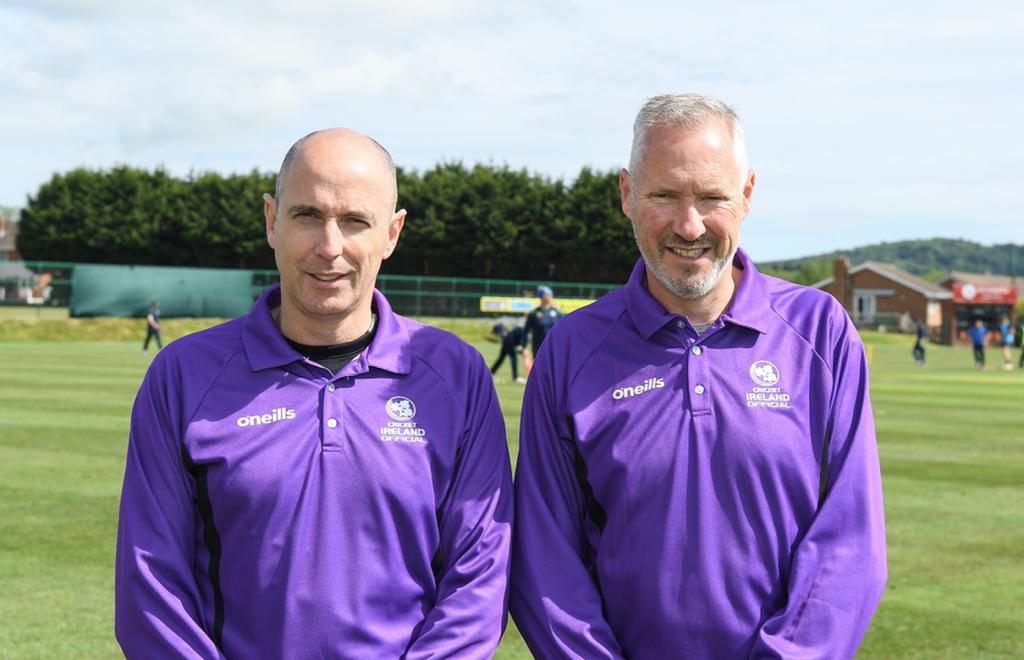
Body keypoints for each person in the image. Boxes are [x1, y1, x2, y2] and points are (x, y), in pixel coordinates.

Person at [511, 94, 886, 659]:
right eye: (664, 195)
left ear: (748, 195)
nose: (690, 226)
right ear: (627, 194)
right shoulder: (572, 348)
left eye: (712, 197)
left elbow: (851, 540)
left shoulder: (821, 330)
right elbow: (544, 557)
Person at [115, 129, 513, 658]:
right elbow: (151, 589)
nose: (329, 247)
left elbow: (479, 578)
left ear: (392, 234)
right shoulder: (183, 376)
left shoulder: (456, 374)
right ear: (270, 221)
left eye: (355, 221)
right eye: (306, 216)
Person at [520, 284, 562, 357]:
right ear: (542, 296)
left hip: (554, 348)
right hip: (538, 348)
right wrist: (523, 345)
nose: (551, 296)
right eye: (548, 294)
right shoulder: (534, 313)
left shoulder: (557, 313)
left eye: (551, 294)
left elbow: (564, 330)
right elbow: (526, 330)